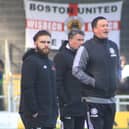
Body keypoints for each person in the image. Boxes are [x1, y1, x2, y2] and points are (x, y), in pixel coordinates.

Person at [72, 16, 121, 129]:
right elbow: (76, 69)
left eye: (107, 25)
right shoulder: (86, 47)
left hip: (111, 100)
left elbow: (118, 68)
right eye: (103, 26)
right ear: (94, 29)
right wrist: (93, 82)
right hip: (93, 100)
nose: (106, 28)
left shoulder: (113, 46)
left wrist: (117, 81)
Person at [19, 30, 58, 129]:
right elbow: (27, 87)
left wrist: (55, 111)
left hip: (50, 115)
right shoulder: (30, 61)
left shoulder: (50, 63)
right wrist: (34, 111)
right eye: (42, 42)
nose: (46, 45)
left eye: (48, 42)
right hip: (35, 116)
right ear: (35, 43)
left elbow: (53, 89)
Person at [54, 29, 85, 129]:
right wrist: (66, 100)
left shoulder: (82, 56)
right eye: (79, 40)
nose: (81, 43)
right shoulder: (61, 56)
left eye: (82, 40)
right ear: (70, 40)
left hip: (81, 105)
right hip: (68, 105)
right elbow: (57, 81)